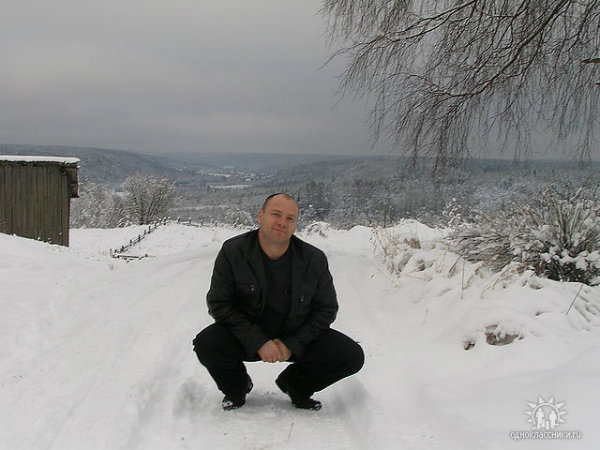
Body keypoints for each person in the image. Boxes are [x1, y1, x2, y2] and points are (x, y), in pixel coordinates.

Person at [193, 193, 364, 411]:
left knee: (350, 356)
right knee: (207, 343)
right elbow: (219, 303)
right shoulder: (234, 251)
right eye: (276, 214)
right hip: (246, 336)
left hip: (295, 336)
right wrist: (258, 342)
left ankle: (296, 384)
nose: (282, 222)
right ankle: (236, 388)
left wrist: (292, 343)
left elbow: (326, 309)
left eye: (290, 218)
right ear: (261, 216)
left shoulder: (313, 259)